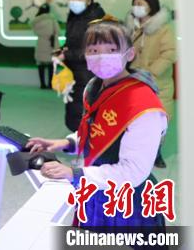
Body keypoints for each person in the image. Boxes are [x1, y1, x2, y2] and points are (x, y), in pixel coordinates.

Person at [27, 18, 167, 229]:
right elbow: (96, 131)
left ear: (130, 54)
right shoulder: (94, 87)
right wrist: (64, 143)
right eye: (93, 50)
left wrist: (73, 173)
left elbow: (133, 171)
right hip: (95, 188)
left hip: (128, 200)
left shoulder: (144, 105)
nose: (102, 57)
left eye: (111, 50)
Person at [125, 0, 176, 168]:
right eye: (135, 4)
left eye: (141, 4)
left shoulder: (164, 28)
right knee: (136, 118)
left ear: (151, 6)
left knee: (159, 119)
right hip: (134, 81)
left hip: (158, 83)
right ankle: (137, 151)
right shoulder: (131, 28)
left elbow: (170, 53)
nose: (136, 7)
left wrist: (151, 72)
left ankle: (156, 153)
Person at [60, 0, 105, 131]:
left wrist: (67, 54)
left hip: (89, 72)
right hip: (73, 71)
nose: (75, 2)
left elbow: (95, 50)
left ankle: (85, 138)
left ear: (89, 1)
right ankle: (78, 137)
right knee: (74, 108)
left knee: (85, 108)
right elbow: (73, 42)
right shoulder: (74, 17)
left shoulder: (96, 20)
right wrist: (64, 50)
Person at [32, 3, 60, 89]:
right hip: (50, 44)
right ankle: (50, 84)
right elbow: (57, 31)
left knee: (41, 64)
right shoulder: (52, 19)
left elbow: (35, 32)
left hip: (41, 43)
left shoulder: (36, 21)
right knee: (51, 65)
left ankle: (42, 84)